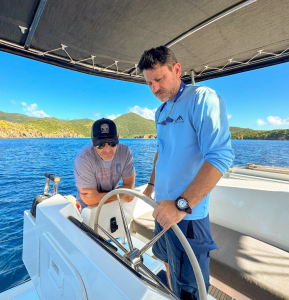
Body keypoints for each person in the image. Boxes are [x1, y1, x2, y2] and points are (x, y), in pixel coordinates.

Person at [139, 46, 234, 299]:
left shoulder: (203, 98)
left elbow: (221, 156)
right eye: (149, 83)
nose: (155, 89)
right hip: (162, 206)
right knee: (166, 261)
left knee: (191, 288)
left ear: (177, 69)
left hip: (187, 215)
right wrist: (150, 185)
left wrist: (180, 205)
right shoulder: (160, 111)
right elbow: (162, 151)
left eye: (158, 79)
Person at [74, 118, 135, 209]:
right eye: (100, 144)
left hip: (112, 206)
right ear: (92, 141)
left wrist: (98, 198)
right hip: (87, 210)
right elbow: (90, 201)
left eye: (112, 143)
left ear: (117, 138)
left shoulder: (125, 152)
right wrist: (123, 193)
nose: (107, 149)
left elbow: (129, 186)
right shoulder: (84, 158)